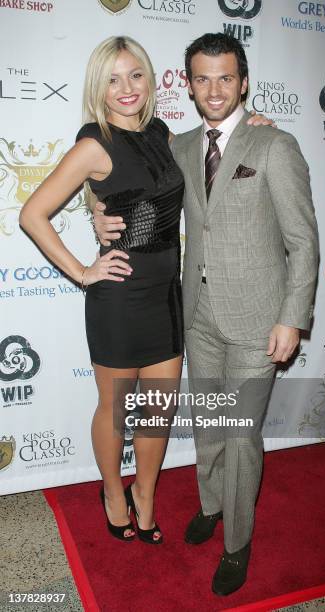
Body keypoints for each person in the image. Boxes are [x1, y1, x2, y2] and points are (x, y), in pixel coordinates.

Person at [94, 32, 319, 594]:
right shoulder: (179, 145)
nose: (214, 89)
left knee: (239, 434)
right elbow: (123, 182)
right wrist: (96, 213)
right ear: (188, 85)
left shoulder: (275, 145)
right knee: (211, 428)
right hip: (196, 317)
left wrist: (293, 317)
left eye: (225, 78)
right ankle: (213, 505)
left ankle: (237, 542)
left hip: (259, 321)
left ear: (244, 83)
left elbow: (304, 241)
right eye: (202, 78)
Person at [19, 35, 187, 545]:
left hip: (166, 294)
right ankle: (114, 493)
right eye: (113, 79)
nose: (126, 87)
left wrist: (255, 123)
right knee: (115, 407)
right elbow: (33, 214)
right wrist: (83, 271)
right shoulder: (94, 144)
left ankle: (146, 495)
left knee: (160, 407)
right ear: (99, 88)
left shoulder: (164, 134)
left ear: (150, 78)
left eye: (135, 74)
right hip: (120, 296)